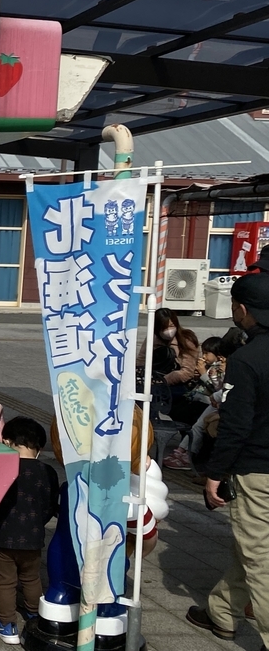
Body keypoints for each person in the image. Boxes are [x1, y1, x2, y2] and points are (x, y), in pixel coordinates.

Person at [185, 272, 269, 648]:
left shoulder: (248, 358)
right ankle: (221, 611)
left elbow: (235, 425)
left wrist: (214, 474)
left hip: (258, 471)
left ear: (243, 308)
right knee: (251, 547)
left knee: (261, 560)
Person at [0, 416, 59, 645]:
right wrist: (37, 522)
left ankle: (7, 625)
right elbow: (50, 504)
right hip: (33, 537)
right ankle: (35, 614)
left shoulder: (1, 468)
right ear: (40, 447)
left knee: (5, 582)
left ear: (7, 442)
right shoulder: (48, 472)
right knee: (31, 577)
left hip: (3, 537)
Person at [163, 336, 229, 471]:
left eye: (206, 353)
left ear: (219, 356)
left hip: (212, 401)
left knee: (199, 424)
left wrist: (205, 374)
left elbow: (217, 388)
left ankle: (188, 454)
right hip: (207, 400)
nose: (203, 356)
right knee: (197, 425)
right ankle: (181, 450)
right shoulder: (212, 367)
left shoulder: (220, 369)